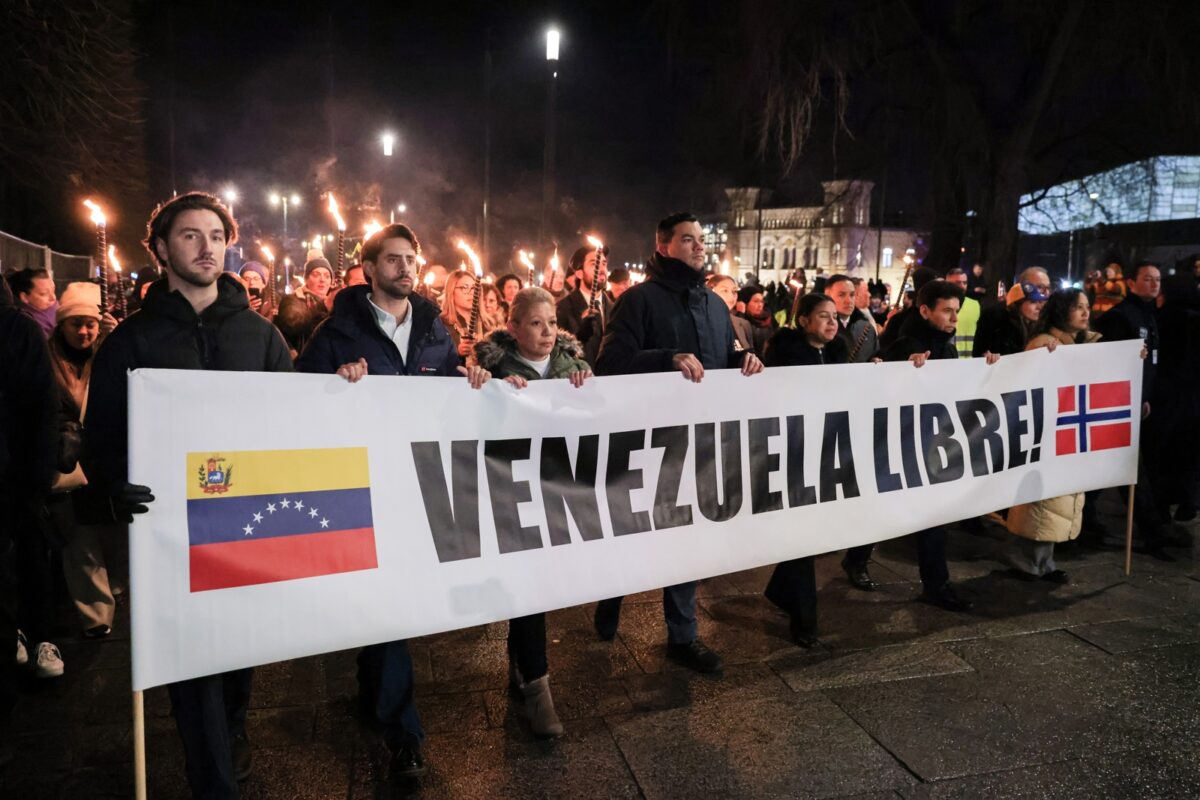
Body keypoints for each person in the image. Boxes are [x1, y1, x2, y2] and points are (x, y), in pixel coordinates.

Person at [85, 192, 291, 798]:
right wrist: (115, 482)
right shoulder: (131, 341)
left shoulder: (260, 335)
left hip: (243, 519)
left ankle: (232, 724)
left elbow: (290, 418)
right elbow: (102, 437)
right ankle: (211, 771)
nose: (206, 248)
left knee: (237, 640)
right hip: (170, 527)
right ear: (161, 250)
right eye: (189, 236)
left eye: (215, 235)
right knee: (192, 657)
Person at [297, 223, 489, 779]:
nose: (405, 269)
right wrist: (335, 384)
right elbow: (300, 402)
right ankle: (404, 729)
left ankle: (376, 688)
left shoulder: (434, 330)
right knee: (389, 609)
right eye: (393, 260)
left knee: (393, 607)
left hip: (418, 486)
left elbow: (450, 393)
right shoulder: (336, 333)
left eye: (412, 259)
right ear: (370, 267)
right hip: (363, 487)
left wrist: (469, 377)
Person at [593, 211, 764, 673]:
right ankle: (611, 592)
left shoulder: (713, 304)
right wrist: (667, 359)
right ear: (663, 245)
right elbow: (609, 363)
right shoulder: (638, 301)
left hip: (700, 440)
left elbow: (723, 357)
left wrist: (745, 359)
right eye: (687, 239)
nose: (698, 246)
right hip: (648, 439)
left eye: (701, 239)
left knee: (686, 537)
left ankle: (683, 635)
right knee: (635, 533)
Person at [474, 286, 591, 737]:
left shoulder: (573, 365)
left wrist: (589, 387)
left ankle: (521, 668)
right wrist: (489, 390)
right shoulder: (492, 367)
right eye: (536, 324)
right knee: (530, 591)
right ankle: (538, 688)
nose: (547, 333)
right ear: (514, 327)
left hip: (562, 491)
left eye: (552, 323)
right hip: (513, 492)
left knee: (544, 585)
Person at [877, 280, 1000, 611]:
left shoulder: (945, 344)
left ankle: (936, 585)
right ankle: (858, 559)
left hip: (932, 444)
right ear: (924, 310)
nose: (954, 319)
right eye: (947, 311)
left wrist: (985, 368)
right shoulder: (905, 343)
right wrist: (904, 368)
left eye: (956, 311)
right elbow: (881, 385)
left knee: (933, 517)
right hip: (903, 443)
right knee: (881, 509)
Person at [760, 294, 847, 648]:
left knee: (814, 532)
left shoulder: (839, 351)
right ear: (804, 321)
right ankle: (804, 621)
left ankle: (781, 591)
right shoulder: (783, 352)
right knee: (802, 532)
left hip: (826, 452)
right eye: (823, 316)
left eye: (835, 317)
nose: (831, 323)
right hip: (793, 451)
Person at [1005, 289, 1101, 582]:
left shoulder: (1084, 344)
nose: (1085, 312)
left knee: (1057, 499)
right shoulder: (1044, 345)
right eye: (1078, 307)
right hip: (1046, 434)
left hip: (1067, 432)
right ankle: (1026, 562)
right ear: (1062, 311)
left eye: (1087, 306)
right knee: (1040, 501)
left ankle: (1043, 562)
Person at [0, 276, 58, 763]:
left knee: (26, 564)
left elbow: (42, 406)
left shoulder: (15, 333)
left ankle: (37, 635)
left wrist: (34, 481)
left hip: (11, 484)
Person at [1093, 261, 1184, 559]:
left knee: (1112, 468)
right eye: (1147, 279)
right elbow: (1114, 364)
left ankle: (1087, 523)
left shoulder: (1149, 314)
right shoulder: (1121, 317)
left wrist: (1144, 396)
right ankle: (1153, 533)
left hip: (1137, 402)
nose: (1154, 284)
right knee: (1130, 468)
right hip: (1119, 405)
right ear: (1131, 283)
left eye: (1157, 279)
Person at [46, 283, 120, 639]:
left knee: (110, 534)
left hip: (102, 459)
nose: (84, 331)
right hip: (68, 464)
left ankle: (116, 589)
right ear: (62, 324)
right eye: (76, 323)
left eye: (90, 323)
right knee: (79, 542)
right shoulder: (46, 359)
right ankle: (97, 616)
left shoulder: (106, 356)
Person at [972, 267, 1050, 358]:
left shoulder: (1044, 319)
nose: (1046, 292)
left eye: (1048, 287)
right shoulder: (995, 317)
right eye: (1040, 287)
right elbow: (980, 353)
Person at [556, 245, 612, 365]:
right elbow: (558, 353)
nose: (602, 269)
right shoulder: (563, 309)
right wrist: (580, 336)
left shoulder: (616, 308)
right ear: (579, 273)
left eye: (604, 263)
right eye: (594, 264)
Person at [275, 256, 334, 355]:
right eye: (316, 275)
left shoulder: (334, 301)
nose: (322, 280)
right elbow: (292, 324)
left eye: (327, 276)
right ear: (306, 279)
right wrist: (322, 306)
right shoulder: (293, 300)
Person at [826, 274, 878, 362]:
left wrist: (874, 361)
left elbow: (876, 353)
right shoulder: (819, 328)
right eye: (841, 295)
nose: (849, 301)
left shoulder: (866, 327)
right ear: (827, 296)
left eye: (852, 295)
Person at [706, 274, 754, 352]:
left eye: (734, 291)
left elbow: (751, 353)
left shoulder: (743, 324)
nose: (731, 296)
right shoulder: (702, 323)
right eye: (725, 290)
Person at [6, 268, 58, 338]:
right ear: (24, 297)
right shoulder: (22, 325)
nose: (53, 298)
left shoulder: (60, 309)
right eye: (44, 294)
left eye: (53, 291)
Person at [945, 268, 980, 358]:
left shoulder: (975, 305)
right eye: (957, 283)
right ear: (946, 284)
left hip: (971, 362)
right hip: (948, 362)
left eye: (965, 283)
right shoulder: (940, 306)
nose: (962, 286)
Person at [737, 286, 776, 357]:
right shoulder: (740, 320)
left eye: (762, 301)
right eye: (756, 301)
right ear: (744, 303)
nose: (760, 305)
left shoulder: (768, 318)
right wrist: (740, 315)